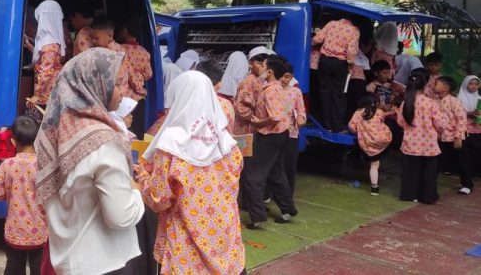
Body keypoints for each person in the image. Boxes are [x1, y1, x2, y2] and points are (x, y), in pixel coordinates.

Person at [35, 48, 144, 275]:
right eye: (116, 84)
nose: (123, 92)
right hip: (104, 263)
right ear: (93, 85)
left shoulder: (54, 132)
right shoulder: (103, 142)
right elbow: (120, 217)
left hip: (67, 259)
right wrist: (136, 192)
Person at [134, 71, 245, 275]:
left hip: (185, 249)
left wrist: (143, 178)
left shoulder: (171, 144)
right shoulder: (228, 143)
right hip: (224, 240)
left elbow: (159, 200)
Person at [244, 55, 298, 229]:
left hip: (269, 135)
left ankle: (257, 217)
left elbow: (274, 117)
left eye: (264, 65)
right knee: (276, 172)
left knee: (253, 176)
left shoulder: (270, 90)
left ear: (270, 71)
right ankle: (287, 210)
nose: (260, 68)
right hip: (282, 134)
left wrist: (257, 122)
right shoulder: (279, 88)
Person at [0, 116, 47, 275]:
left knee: (13, 268)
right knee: (39, 269)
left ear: (13, 141)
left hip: (15, 231)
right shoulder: (43, 165)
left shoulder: (7, 165)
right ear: (37, 139)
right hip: (39, 231)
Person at [396, 71, 446, 204]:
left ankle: (409, 195)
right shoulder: (431, 103)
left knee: (410, 172)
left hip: (410, 144)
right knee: (428, 173)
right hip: (428, 145)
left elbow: (400, 122)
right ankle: (427, 197)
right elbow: (440, 124)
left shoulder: (405, 103)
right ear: (424, 86)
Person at [312, 18, 361, 131]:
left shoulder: (331, 23)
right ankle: (337, 125)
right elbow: (352, 50)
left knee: (325, 92)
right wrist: (350, 63)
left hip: (324, 61)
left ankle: (326, 123)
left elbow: (317, 39)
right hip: (340, 63)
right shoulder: (354, 30)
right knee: (338, 94)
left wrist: (313, 42)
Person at [348, 95, 392, 196]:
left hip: (367, 143)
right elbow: (381, 122)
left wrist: (358, 131)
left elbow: (351, 126)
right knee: (376, 164)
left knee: (373, 165)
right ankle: (374, 188)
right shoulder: (380, 112)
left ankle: (374, 188)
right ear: (377, 103)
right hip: (381, 141)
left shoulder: (358, 113)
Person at [27, 0, 67, 111]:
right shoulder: (54, 40)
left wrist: (37, 95)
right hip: (51, 90)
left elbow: (46, 71)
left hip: (46, 93)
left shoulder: (49, 43)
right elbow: (43, 59)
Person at [280, 69, 306, 196]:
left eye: (287, 76)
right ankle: (267, 195)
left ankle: (287, 195)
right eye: (282, 76)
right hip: (272, 132)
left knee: (289, 166)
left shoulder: (296, 92)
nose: (284, 80)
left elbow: (301, 110)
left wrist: (301, 119)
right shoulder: (270, 90)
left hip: (291, 132)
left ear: (292, 77)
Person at [435, 76, 467, 180]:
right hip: (439, 137)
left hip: (454, 137)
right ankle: (430, 186)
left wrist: (458, 136)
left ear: (445, 88)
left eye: (436, 84)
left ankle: (467, 185)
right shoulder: (434, 101)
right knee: (436, 161)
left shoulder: (454, 101)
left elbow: (461, 119)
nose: (433, 85)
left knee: (461, 161)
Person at [233, 46, 270, 135]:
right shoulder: (248, 81)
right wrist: (258, 118)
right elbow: (240, 107)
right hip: (246, 129)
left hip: (255, 127)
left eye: (264, 64)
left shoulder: (260, 80)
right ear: (250, 64)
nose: (263, 67)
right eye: (259, 63)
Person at [115, 26, 153, 102]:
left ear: (125, 30)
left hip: (122, 98)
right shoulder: (145, 52)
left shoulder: (118, 49)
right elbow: (149, 74)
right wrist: (138, 75)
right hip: (138, 98)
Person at [458, 75, 481, 195]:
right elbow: (456, 114)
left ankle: (474, 176)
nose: (474, 86)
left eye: (476, 84)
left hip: (478, 131)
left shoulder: (479, 98)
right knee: (464, 158)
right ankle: (466, 184)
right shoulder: (459, 99)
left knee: (475, 156)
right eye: (471, 83)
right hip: (463, 131)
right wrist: (468, 114)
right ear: (465, 84)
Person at [347, 41, 372, 119]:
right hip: (360, 82)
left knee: (349, 101)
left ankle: (349, 120)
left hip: (349, 80)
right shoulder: (364, 58)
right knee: (359, 102)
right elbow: (367, 71)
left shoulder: (349, 52)